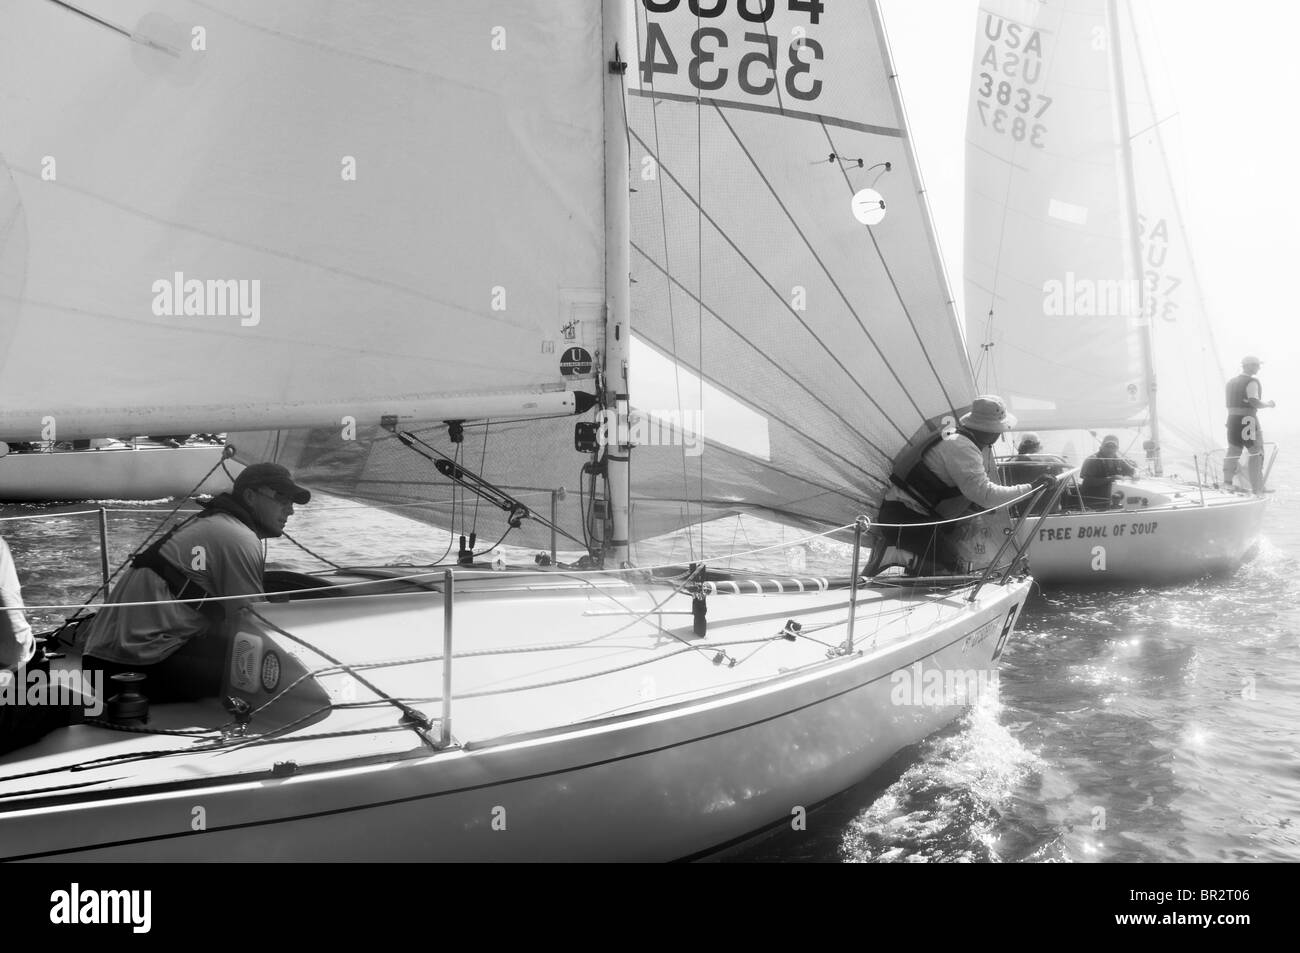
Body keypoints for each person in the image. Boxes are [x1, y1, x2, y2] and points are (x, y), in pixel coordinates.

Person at [80, 463, 310, 703]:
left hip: (101, 661)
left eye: (292, 502)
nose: (290, 510)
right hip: (133, 669)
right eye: (282, 498)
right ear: (250, 496)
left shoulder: (215, 523)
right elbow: (254, 624)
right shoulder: (236, 537)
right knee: (266, 670)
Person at [870, 395, 1052, 575]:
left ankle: (910, 559)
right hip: (907, 520)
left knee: (950, 568)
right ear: (992, 431)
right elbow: (986, 495)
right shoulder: (962, 447)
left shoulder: (957, 438)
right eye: (1001, 428)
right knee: (952, 571)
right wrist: (1032, 488)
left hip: (908, 517)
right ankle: (896, 554)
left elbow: (969, 491)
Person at [1224, 355, 1275, 494]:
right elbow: (1254, 401)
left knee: (1233, 450)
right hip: (1247, 419)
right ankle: (1258, 487)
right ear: (1249, 366)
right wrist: (1268, 404)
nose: (1258, 368)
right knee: (1256, 452)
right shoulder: (1252, 382)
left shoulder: (1230, 382)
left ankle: (1227, 483)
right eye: (1257, 365)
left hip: (1232, 420)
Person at [1078, 435, 1137, 508]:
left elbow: (1132, 471)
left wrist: (1135, 475)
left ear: (1117, 448)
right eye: (1107, 446)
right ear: (1101, 446)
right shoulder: (1092, 460)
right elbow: (1088, 481)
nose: (1110, 449)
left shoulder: (1118, 459)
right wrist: (1111, 478)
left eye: (1113, 447)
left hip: (1111, 500)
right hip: (1093, 501)